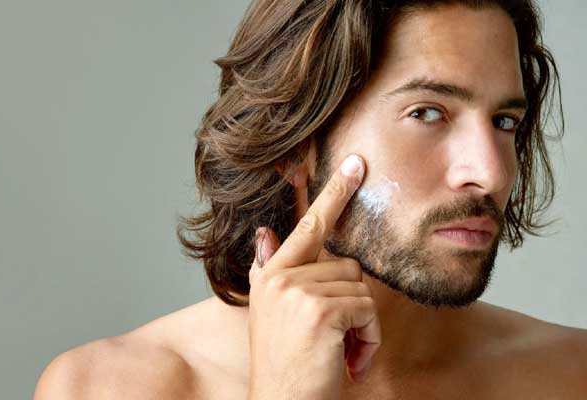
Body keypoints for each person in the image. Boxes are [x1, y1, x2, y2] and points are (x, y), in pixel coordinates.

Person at [35, 0, 587, 399]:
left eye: (504, 121)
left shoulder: (569, 376)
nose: (490, 173)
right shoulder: (108, 387)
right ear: (296, 143)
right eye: (427, 113)